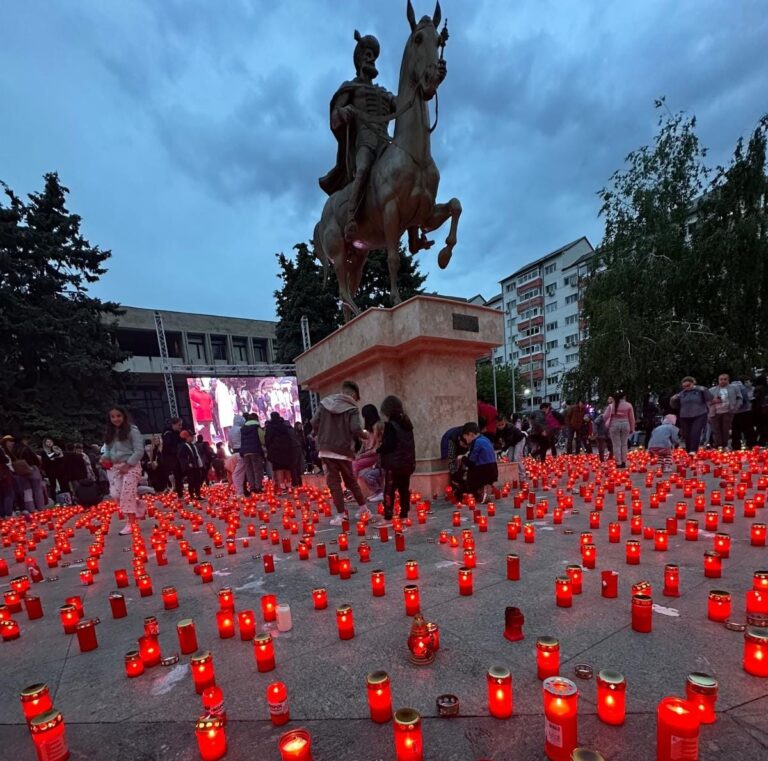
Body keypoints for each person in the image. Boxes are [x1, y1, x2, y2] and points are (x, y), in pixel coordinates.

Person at [311, 380, 368, 525]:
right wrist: (366, 436)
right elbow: (355, 428)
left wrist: (323, 434)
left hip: (326, 449)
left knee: (334, 483)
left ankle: (341, 515)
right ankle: (364, 508)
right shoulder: (351, 408)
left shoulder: (325, 404)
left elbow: (314, 422)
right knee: (350, 480)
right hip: (343, 450)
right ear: (353, 394)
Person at [102, 406, 144, 535]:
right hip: (115, 468)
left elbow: (139, 451)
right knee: (115, 494)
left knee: (126, 494)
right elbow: (107, 449)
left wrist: (128, 464)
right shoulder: (110, 432)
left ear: (124, 416)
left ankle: (131, 523)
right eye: (113, 416)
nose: (116, 419)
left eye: (118, 416)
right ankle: (139, 506)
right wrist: (104, 458)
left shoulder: (132, 430)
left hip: (131, 466)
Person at [377, 395, 416, 522]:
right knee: (404, 489)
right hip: (407, 463)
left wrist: (379, 449)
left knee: (389, 490)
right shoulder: (407, 425)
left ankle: (388, 512)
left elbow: (390, 445)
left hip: (393, 465)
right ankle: (404, 511)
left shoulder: (390, 426)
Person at [670, 377, 713, 453]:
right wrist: (673, 399)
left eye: (688, 385)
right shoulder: (682, 393)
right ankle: (688, 450)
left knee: (695, 432)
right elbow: (674, 406)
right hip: (684, 416)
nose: (686, 388)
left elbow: (709, 398)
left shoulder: (700, 390)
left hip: (699, 414)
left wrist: (704, 390)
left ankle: (693, 450)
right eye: (684, 386)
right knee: (686, 434)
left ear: (693, 383)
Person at [265, 412, 303, 490]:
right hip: (286, 450)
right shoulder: (284, 427)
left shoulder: (270, 427)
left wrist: (270, 448)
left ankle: (282, 487)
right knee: (287, 468)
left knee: (279, 469)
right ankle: (289, 485)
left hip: (275, 451)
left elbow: (267, 439)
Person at [461, 421, 498, 502]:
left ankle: (479, 492)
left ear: (470, 434)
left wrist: (463, 458)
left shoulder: (476, 442)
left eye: (465, 438)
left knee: (469, 478)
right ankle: (485, 487)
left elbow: (471, 461)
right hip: (493, 470)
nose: (466, 440)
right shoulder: (485, 439)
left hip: (483, 471)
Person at [708, 373, 743, 449]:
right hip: (715, 412)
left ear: (728, 380)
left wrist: (735, 407)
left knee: (725, 429)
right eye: (721, 379)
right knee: (716, 430)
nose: (723, 381)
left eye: (725, 379)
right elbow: (707, 401)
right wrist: (714, 401)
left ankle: (725, 445)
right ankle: (719, 445)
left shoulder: (734, 388)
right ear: (718, 380)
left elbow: (739, 398)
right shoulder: (712, 390)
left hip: (728, 411)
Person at [603, 391, 635, 468]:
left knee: (616, 445)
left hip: (614, 425)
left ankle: (618, 463)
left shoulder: (611, 406)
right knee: (624, 444)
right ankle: (624, 461)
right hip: (625, 424)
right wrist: (632, 428)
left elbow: (605, 416)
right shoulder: (628, 405)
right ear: (624, 397)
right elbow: (632, 418)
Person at [240, 413, 266, 494]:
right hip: (255, 451)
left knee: (249, 470)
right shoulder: (256, 427)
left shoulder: (243, 429)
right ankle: (258, 487)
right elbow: (262, 440)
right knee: (257, 469)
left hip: (245, 452)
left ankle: (252, 487)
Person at [441, 424, 469, 496]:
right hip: (450, 440)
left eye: (466, 445)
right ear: (460, 439)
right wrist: (454, 474)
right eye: (463, 444)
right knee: (453, 463)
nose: (465, 446)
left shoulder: (468, 437)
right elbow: (451, 459)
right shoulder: (451, 441)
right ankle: (455, 485)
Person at [177, 430, 204, 500]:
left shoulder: (192, 445)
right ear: (186, 437)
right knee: (191, 481)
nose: (192, 438)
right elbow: (182, 457)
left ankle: (198, 494)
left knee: (197, 480)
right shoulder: (183, 446)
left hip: (196, 465)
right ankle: (192, 495)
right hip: (190, 467)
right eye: (191, 436)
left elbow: (196, 455)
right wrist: (187, 464)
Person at [161, 418, 184, 498]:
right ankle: (178, 494)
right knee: (176, 476)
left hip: (175, 458)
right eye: (179, 425)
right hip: (171, 459)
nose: (181, 427)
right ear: (173, 425)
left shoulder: (176, 434)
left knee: (178, 476)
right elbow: (169, 447)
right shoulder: (169, 434)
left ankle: (180, 493)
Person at [730, 378, 755, 450]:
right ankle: (751, 445)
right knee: (748, 430)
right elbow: (746, 399)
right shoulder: (743, 387)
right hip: (746, 411)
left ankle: (736, 446)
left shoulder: (731, 387)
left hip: (735, 412)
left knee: (735, 430)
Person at [753, 375, 768, 446]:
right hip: (765, 409)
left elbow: (755, 398)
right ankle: (763, 440)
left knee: (760, 426)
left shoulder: (757, 388)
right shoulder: (766, 388)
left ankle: (761, 440)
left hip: (758, 410)